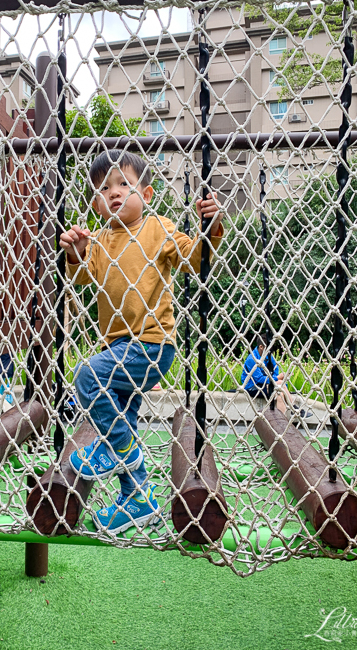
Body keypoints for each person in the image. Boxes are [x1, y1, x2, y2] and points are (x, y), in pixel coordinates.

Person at [60, 150, 224, 534]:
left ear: (145, 194)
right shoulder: (100, 240)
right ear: (96, 202)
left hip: (152, 344)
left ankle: (119, 452)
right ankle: (138, 499)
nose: (113, 193)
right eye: (103, 188)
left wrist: (211, 226)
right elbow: (84, 275)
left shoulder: (158, 229)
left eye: (123, 184)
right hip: (118, 349)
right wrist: (76, 250)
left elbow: (195, 259)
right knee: (122, 418)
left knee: (87, 377)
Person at [241, 336, 312, 418]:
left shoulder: (268, 356)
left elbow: (275, 370)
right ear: (261, 347)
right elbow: (259, 379)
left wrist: (276, 378)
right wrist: (277, 378)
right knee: (280, 384)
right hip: (253, 387)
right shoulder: (252, 359)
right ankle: (294, 408)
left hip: (267, 384)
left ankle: (281, 423)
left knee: (280, 393)